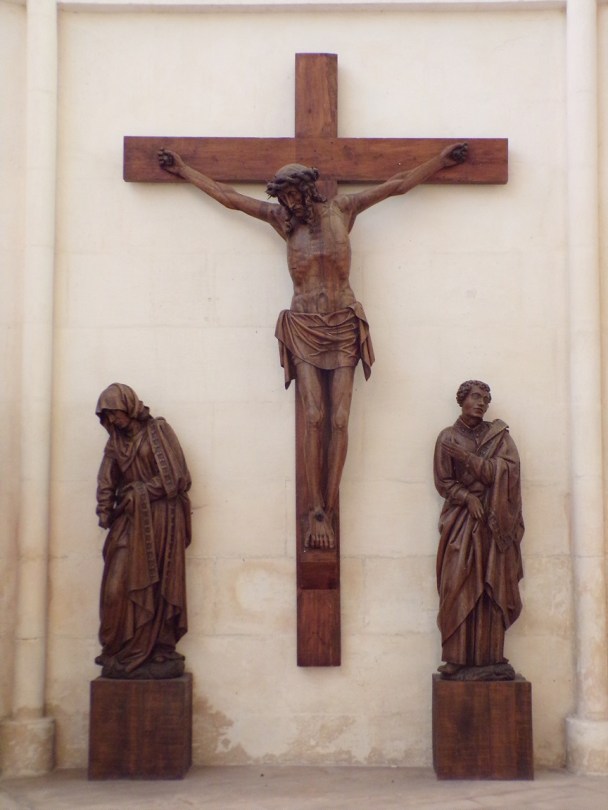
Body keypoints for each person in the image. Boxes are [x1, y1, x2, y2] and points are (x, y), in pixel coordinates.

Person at [158, 144, 467, 549]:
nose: (287, 203)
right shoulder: (281, 221)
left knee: (339, 420)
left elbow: (396, 186)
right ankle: (316, 506)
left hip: (342, 323)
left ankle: (328, 503)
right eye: (282, 197)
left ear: (308, 190)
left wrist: (440, 161)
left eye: (292, 195)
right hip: (303, 324)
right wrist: (184, 170)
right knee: (314, 415)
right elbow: (229, 198)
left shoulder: (343, 210)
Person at [95, 383, 192, 679]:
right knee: (115, 587)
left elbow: (178, 477)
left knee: (159, 584)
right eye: (106, 417)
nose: (112, 421)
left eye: (114, 414)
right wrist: (103, 507)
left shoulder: (159, 431)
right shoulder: (114, 444)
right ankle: (118, 648)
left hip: (163, 519)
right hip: (129, 519)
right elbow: (106, 480)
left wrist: (141, 490)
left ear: (129, 406)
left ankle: (158, 647)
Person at [434, 380, 524, 679]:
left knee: (491, 585)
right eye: (475, 397)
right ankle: (457, 657)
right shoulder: (447, 438)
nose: (481, 403)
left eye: (486, 399)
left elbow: (509, 471)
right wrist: (467, 497)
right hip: (460, 523)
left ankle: (491, 656)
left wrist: (470, 461)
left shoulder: (499, 437)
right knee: (457, 583)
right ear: (461, 400)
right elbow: (443, 482)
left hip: (493, 523)